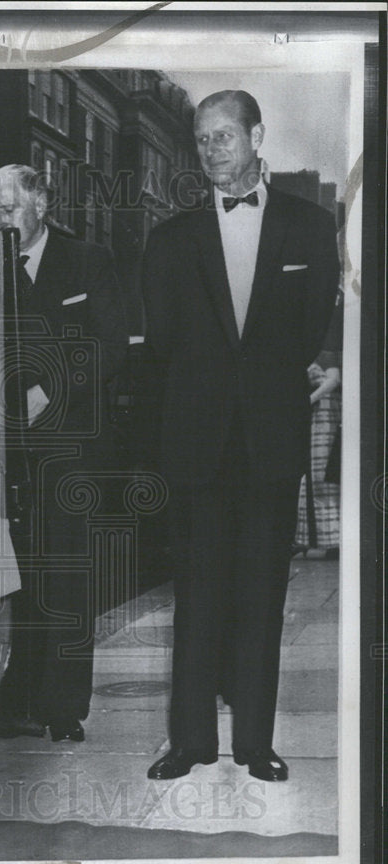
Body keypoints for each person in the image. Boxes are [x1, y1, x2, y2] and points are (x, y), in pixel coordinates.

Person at [142, 91, 339, 782]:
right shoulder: (170, 239)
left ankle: (256, 744)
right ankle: (190, 742)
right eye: (202, 139)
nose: (210, 150)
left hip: (270, 440)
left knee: (262, 598)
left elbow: (313, 325)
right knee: (196, 598)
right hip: (195, 442)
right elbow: (161, 343)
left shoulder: (310, 227)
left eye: (223, 136)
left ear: (257, 136)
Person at [0, 164, 129, 742]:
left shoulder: (89, 262)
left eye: (8, 208)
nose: (0, 220)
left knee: (64, 574)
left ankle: (62, 707)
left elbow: (109, 345)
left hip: (71, 446)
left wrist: (50, 388)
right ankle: (15, 698)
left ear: (41, 204)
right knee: (13, 572)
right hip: (6, 448)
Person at [294, 287, 343, 556]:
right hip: (316, 416)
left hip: (325, 416)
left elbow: (333, 379)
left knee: (322, 478)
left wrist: (308, 399)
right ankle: (318, 538)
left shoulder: (326, 340)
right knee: (313, 478)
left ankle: (332, 539)